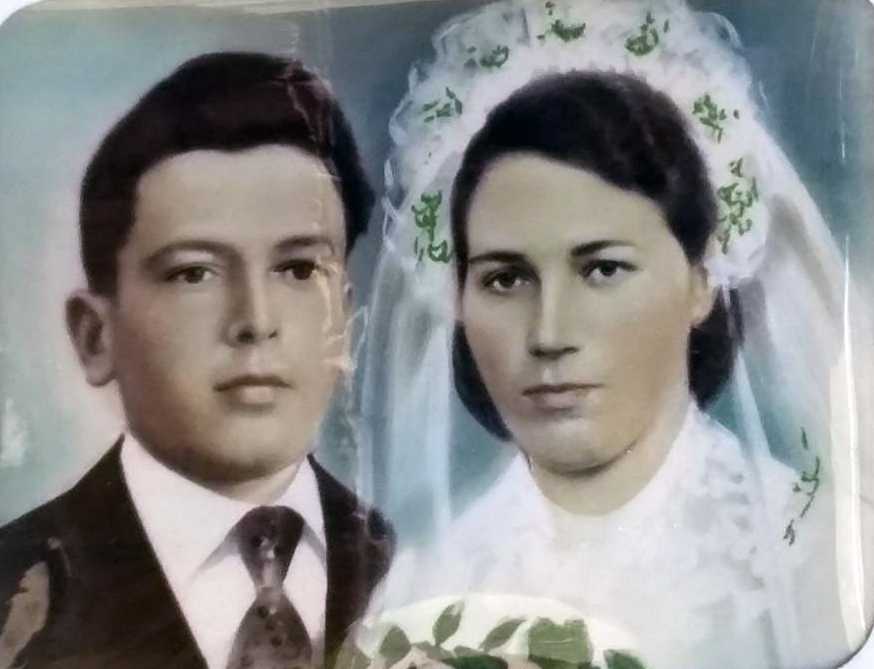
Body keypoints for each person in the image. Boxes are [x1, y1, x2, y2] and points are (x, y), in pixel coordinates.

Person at [359, 1, 874, 668]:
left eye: (602, 269)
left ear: (700, 280)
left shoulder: (821, 560)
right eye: (506, 279)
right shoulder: (422, 583)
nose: (548, 333)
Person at [0, 52, 392, 669]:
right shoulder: (14, 590)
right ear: (95, 336)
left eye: (298, 269)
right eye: (194, 273)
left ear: (343, 320)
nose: (255, 321)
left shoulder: (422, 561)